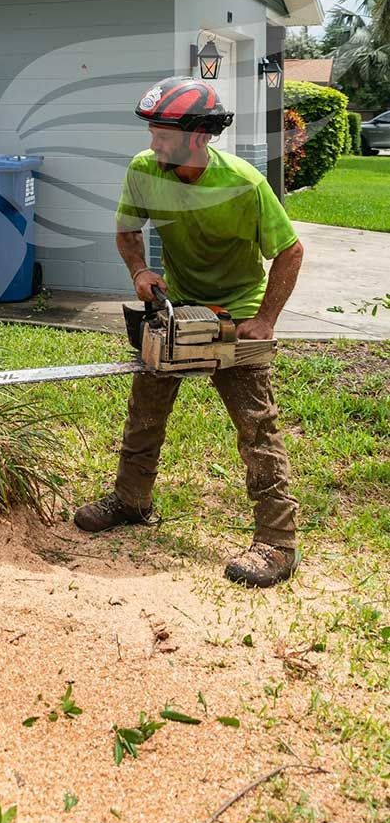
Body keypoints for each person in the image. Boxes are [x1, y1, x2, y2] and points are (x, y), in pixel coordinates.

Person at [74, 76, 304, 588]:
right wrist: (139, 272)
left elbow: (290, 251)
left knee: (256, 426)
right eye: (152, 131)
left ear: (198, 135)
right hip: (179, 307)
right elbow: (128, 231)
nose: (152, 142)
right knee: (145, 409)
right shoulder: (144, 169)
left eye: (162, 134)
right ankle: (131, 501)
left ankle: (278, 543)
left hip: (238, 311)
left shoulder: (243, 182)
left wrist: (263, 321)